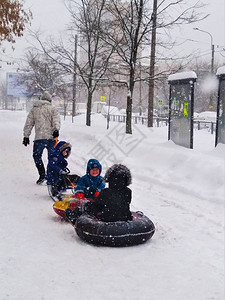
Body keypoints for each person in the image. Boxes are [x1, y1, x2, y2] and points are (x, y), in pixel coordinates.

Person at [23, 91, 61, 184]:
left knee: (37, 156)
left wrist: (26, 136)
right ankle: (50, 176)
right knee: (52, 158)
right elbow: (56, 120)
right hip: (51, 138)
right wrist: (56, 130)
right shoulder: (53, 109)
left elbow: (29, 123)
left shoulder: (34, 109)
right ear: (49, 100)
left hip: (39, 138)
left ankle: (42, 174)